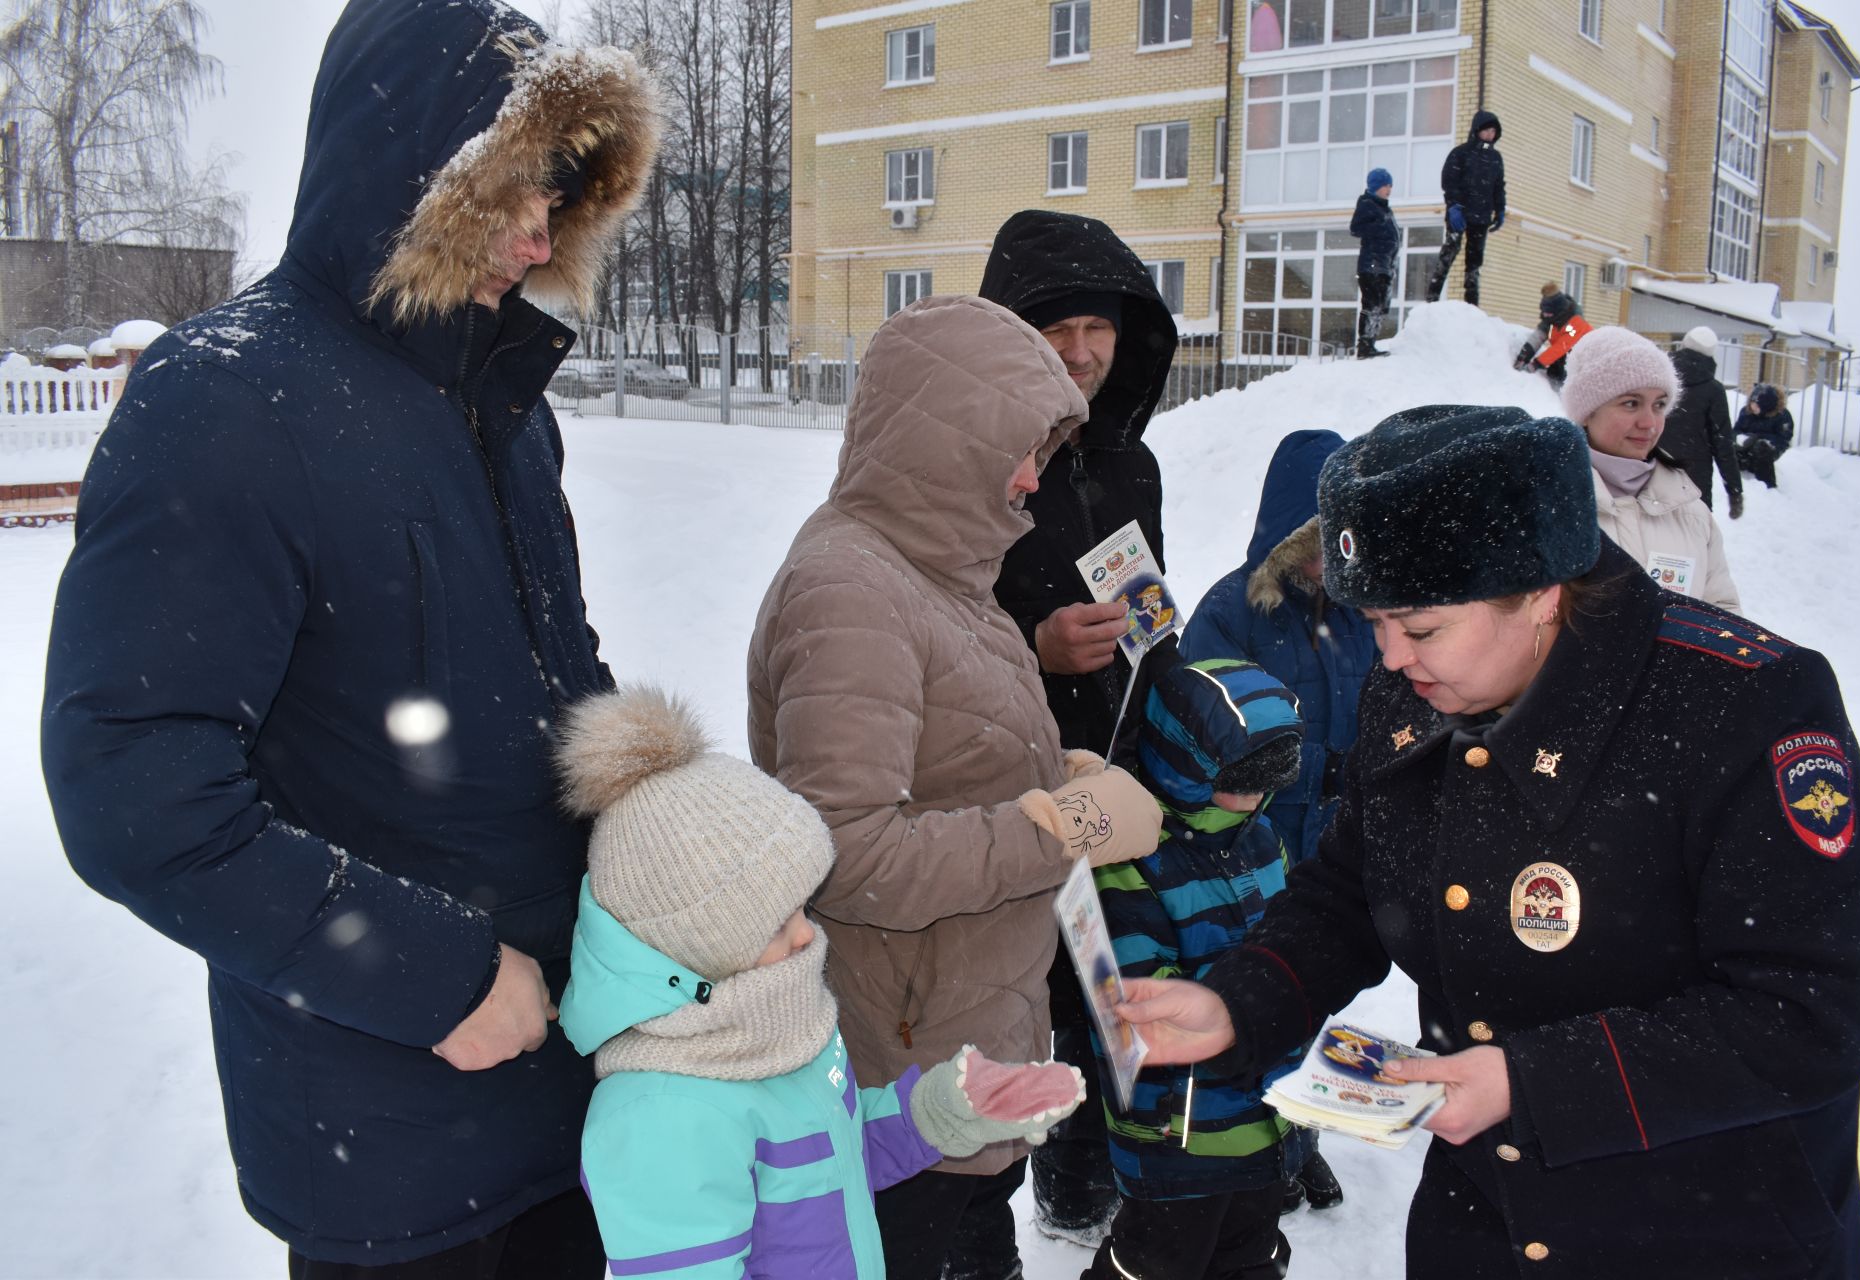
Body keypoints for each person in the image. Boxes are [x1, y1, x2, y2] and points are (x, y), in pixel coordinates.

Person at [39, 3, 655, 1276]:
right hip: (390, 1142)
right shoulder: (226, 401)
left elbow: (558, 684)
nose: (540, 238)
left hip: (580, 1082)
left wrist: (672, 842)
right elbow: (135, 788)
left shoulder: (504, 405)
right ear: (411, 178)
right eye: (508, 195)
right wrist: (433, 976)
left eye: (558, 200)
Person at [1112, 404, 1860, 1279]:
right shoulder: (1414, 693)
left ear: (1544, 591)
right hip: (1489, 1228)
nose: (1392, 657)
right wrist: (1242, 999)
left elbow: (1812, 1014)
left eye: (1422, 626)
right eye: (1372, 621)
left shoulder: (1742, 706)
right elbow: (1348, 893)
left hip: (1705, 1231)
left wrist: (1533, 1080)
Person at [746, 294, 1163, 1280]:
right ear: (940, 438)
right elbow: (842, 851)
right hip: (901, 1066)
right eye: (1013, 446)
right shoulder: (852, 588)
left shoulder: (938, 568)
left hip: (959, 1032)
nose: (1031, 477)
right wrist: (1051, 826)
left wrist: (1058, 770)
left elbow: (941, 748)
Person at [552, 683, 1087, 1276]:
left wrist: (939, 1112)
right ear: (704, 943)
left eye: (803, 908)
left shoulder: (776, 1022)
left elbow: (834, 1155)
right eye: (779, 924)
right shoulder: (660, 1117)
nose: (807, 935)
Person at [978, 208, 1182, 1250]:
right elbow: (927, 623)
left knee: (1110, 980)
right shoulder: (975, 461)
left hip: (1120, 772)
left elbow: (1149, 611)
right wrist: (1035, 645)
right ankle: (984, 1201)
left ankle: (1080, 1173)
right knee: (1023, 992)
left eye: (1101, 325)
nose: (1083, 349)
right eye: (1056, 325)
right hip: (1001, 778)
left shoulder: (1131, 464)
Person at [1179, 429, 1377, 1213]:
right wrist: (1312, 769)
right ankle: (1256, 1144)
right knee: (1254, 982)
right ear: (1288, 533)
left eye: (1346, 537)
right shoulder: (1233, 611)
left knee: (1316, 993)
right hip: (1253, 843)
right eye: (1317, 538)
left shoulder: (1367, 611)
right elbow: (1201, 727)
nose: (1332, 555)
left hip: (1336, 839)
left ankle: (1300, 1134)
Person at [1076, 659, 1305, 1280]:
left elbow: (1295, 948)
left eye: (1268, 780)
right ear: (1188, 766)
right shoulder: (1129, 866)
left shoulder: (1263, 841)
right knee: (1157, 1261)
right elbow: (1136, 1003)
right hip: (1177, 1130)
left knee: (1250, 1252)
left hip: (1266, 1115)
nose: (1256, 798)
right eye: (1242, 779)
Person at [1562, 326, 1740, 609]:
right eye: (1631, 403)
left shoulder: (1692, 513)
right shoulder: (1549, 505)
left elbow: (1723, 612)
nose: (1650, 423)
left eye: (1659, 405)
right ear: (1587, 412)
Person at [1425, 110, 1506, 306]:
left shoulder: (1495, 158)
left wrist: (1500, 209)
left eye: (1493, 131)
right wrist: (1454, 206)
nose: (1490, 135)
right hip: (1460, 213)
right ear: (1477, 130)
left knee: (1475, 261)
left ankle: (1472, 304)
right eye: (1486, 130)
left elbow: (1498, 186)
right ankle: (1432, 297)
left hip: (1482, 216)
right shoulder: (1461, 153)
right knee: (1450, 252)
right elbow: (1449, 181)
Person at [1664, 326, 1744, 516]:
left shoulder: (1661, 378)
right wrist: (1734, 491)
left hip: (1657, 465)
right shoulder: (1713, 390)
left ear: (1683, 345)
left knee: (1654, 530)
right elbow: (1723, 443)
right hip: (1695, 474)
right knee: (1697, 532)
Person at [1350, 169, 1400, 359]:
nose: (1389, 189)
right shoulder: (1368, 204)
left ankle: (1370, 342)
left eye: (1390, 186)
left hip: (1385, 265)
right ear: (1376, 186)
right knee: (1372, 304)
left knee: (1381, 304)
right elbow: (1356, 228)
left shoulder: (1384, 208)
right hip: (1372, 265)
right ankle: (1365, 345)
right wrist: (1379, 227)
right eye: (1386, 185)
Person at [1515, 286, 1591, 388]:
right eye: (1544, 312)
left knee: (1562, 374)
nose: (1545, 315)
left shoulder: (1575, 322)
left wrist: (1536, 364)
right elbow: (1538, 337)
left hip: (1587, 357)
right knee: (1553, 372)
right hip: (1566, 354)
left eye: (1548, 313)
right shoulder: (1551, 320)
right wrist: (1523, 356)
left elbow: (1562, 347)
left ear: (1557, 312)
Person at [1736, 383, 1796, 489]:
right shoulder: (1746, 412)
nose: (1752, 406)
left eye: (1757, 404)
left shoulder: (1782, 415)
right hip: (1745, 447)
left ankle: (1767, 486)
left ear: (1766, 405)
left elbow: (1783, 439)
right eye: (1752, 403)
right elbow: (1736, 430)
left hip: (1767, 449)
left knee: (1761, 448)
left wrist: (1757, 437)